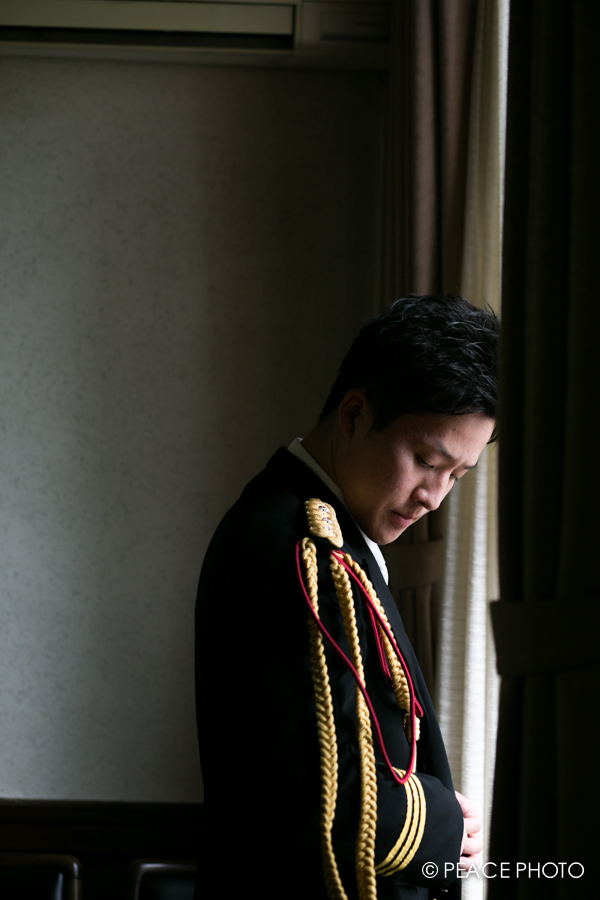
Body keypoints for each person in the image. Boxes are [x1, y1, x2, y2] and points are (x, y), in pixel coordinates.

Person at [194, 295, 498, 900]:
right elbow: (327, 803)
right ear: (355, 414)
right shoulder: (301, 549)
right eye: (426, 460)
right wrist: (443, 821)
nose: (434, 497)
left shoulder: (321, 533)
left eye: (456, 476)